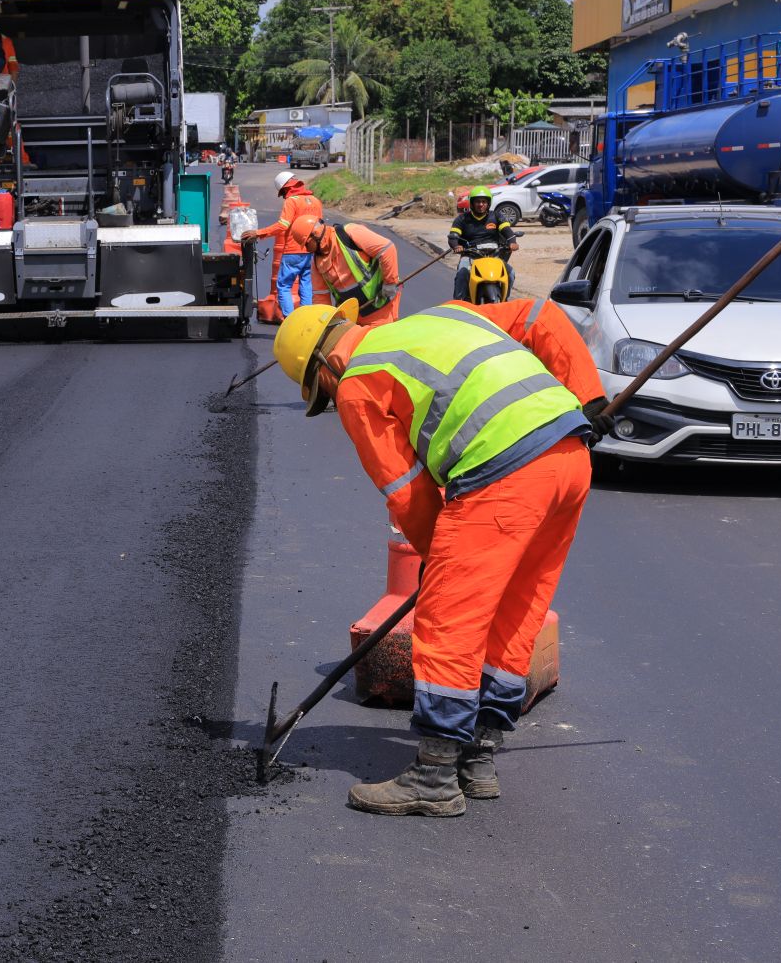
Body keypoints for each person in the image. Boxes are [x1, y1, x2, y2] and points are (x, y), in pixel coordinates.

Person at [272, 296, 613, 817]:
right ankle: (478, 758)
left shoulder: (358, 384)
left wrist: (441, 558)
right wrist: (588, 395)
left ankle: (433, 775)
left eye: (320, 390)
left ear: (327, 364)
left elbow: (406, 490)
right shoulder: (444, 313)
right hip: (568, 456)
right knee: (517, 610)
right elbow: (540, 317)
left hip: (503, 476)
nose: (328, 398)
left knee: (448, 619)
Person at [288, 215, 403, 326]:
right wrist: (325, 323)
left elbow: (386, 249)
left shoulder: (350, 233)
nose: (307, 250)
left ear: (315, 235)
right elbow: (320, 297)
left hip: (380, 304)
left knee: (380, 341)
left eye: (307, 245)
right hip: (355, 314)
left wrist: (390, 282)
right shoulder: (316, 263)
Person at [240, 171, 324, 315]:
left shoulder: (292, 201)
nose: (284, 196)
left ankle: (290, 320)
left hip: (293, 251)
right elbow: (320, 227)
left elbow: (282, 225)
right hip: (311, 251)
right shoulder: (315, 200)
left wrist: (258, 233)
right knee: (306, 284)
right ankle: (306, 319)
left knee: (284, 286)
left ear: (286, 189)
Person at [448, 186, 516, 301]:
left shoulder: (496, 216)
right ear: (472, 203)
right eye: (477, 201)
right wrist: (456, 246)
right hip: (470, 254)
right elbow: (453, 237)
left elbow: (508, 232)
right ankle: (459, 303)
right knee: (462, 274)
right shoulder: (462, 219)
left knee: (510, 273)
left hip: (494, 255)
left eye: (484, 201)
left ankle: (505, 300)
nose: (481, 204)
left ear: (488, 203)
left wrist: (513, 242)